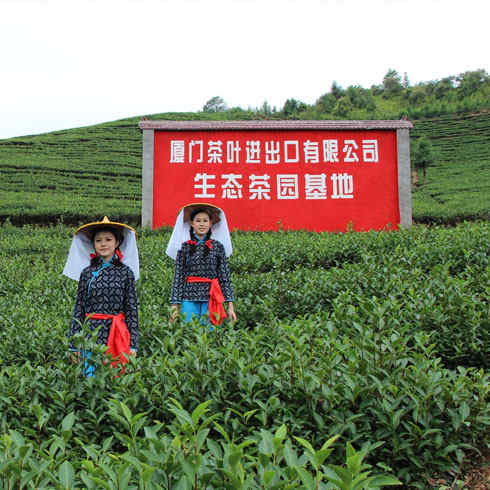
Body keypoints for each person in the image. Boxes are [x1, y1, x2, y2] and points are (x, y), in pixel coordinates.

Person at [62, 216, 140, 375]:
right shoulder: (86, 273)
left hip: (116, 332)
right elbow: (79, 308)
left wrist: (133, 345)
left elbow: (131, 309)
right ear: (93, 245)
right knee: (90, 377)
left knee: (114, 378)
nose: (103, 244)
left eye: (108, 239)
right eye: (98, 240)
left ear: (117, 242)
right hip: (91, 332)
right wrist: (74, 344)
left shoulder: (126, 273)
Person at [166, 203, 236, 327]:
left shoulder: (218, 247)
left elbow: (225, 277)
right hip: (189, 296)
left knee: (209, 334)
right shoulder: (185, 247)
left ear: (210, 224)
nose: (202, 224)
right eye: (198, 221)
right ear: (192, 223)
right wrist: (174, 306)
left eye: (205, 221)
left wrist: (230, 306)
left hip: (211, 296)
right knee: (189, 331)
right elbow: (178, 277)